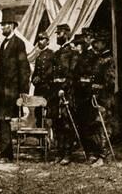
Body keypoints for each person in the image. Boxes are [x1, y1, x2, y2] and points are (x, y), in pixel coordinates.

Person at [0, 10, 31, 163]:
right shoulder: (3, 44)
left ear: (13, 26)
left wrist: (23, 91)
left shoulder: (18, 43)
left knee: (5, 120)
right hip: (1, 91)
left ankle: (5, 155)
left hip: (11, 91)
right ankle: (5, 154)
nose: (3, 28)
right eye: (2, 25)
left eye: (6, 25)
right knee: (2, 122)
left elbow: (24, 68)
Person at [49, 23, 78, 165]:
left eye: (59, 34)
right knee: (57, 123)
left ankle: (67, 153)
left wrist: (64, 88)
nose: (57, 36)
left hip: (67, 93)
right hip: (55, 93)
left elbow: (72, 74)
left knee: (67, 124)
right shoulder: (57, 53)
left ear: (66, 34)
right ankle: (59, 153)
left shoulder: (72, 53)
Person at [72, 31, 99, 164]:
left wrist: (87, 83)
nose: (76, 47)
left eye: (78, 45)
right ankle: (88, 153)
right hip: (79, 94)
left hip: (88, 93)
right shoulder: (80, 57)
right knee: (82, 124)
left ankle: (94, 153)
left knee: (89, 124)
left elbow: (94, 74)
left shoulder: (93, 55)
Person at [90, 29, 117, 166]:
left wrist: (98, 86)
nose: (95, 45)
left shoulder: (108, 60)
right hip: (99, 98)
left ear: (104, 44)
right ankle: (102, 154)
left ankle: (104, 156)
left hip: (106, 99)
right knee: (99, 126)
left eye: (98, 43)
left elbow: (111, 82)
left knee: (104, 126)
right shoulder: (100, 58)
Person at [31, 32, 54, 128]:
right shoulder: (39, 56)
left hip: (47, 88)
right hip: (39, 88)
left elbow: (51, 70)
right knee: (38, 112)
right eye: (38, 40)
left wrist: (41, 78)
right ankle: (39, 135)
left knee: (47, 112)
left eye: (42, 39)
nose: (39, 42)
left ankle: (47, 136)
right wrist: (33, 79)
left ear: (47, 42)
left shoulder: (51, 54)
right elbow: (35, 72)